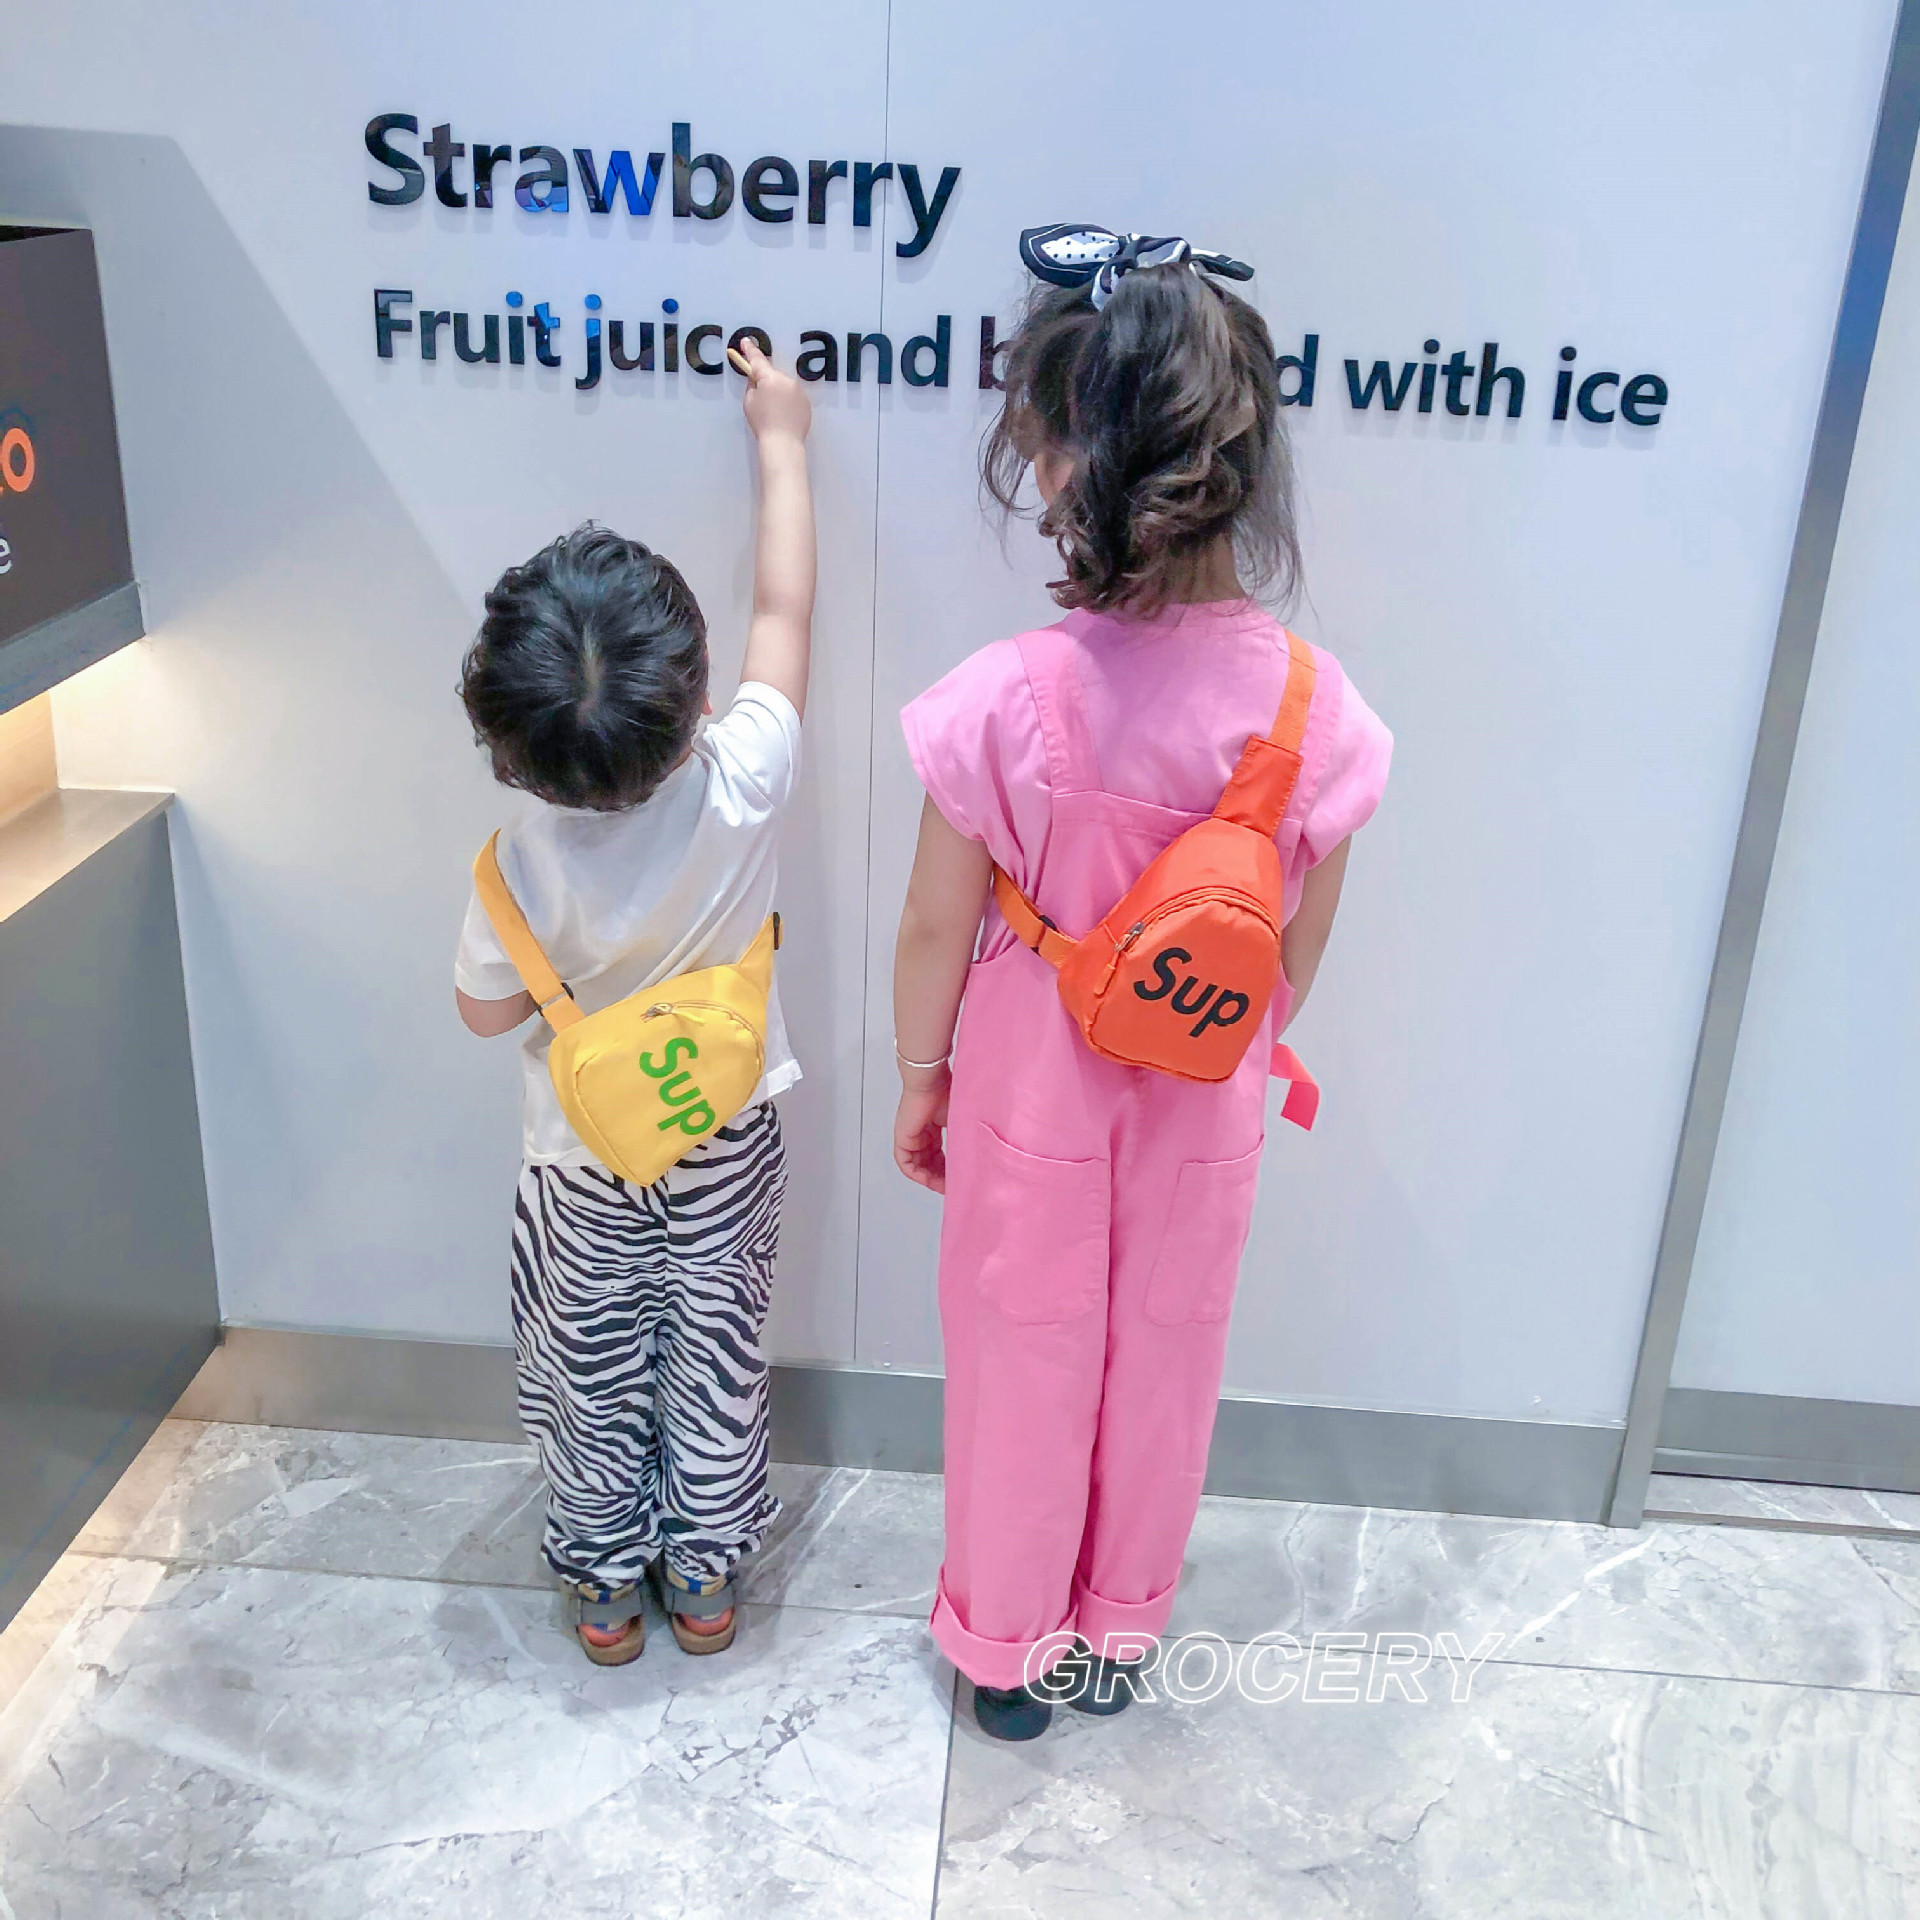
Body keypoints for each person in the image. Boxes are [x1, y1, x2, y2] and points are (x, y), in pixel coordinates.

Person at [891, 229, 1393, 1739]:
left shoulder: (1007, 698)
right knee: (1165, 1360)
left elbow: (932, 930)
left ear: (1065, 465)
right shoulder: (1318, 711)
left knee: (1022, 1358)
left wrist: (924, 1077)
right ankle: (1118, 1632)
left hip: (1030, 1094)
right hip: (1203, 1098)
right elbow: (1297, 951)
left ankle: (1007, 1653)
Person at [452, 340, 814, 1665]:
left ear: (511, 750)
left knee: (589, 1371)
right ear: (698, 700)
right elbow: (786, 612)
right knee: (716, 1351)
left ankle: (606, 1589)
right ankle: (705, 1578)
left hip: (581, 1161)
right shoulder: (744, 779)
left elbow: (484, 1015)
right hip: (726, 1133)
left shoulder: (516, 863)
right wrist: (781, 440)